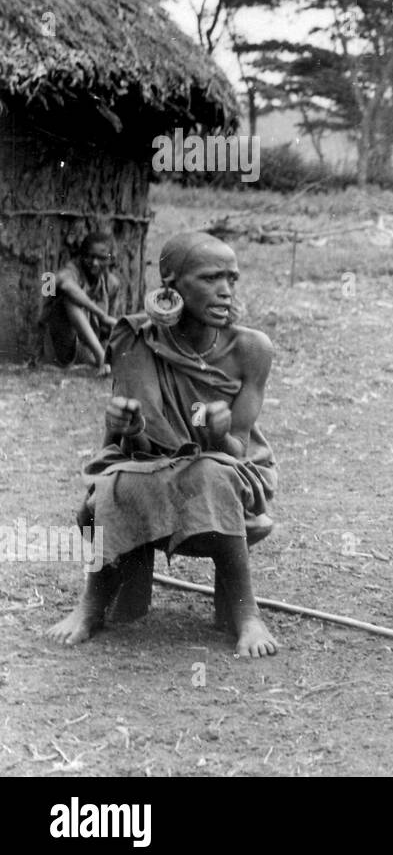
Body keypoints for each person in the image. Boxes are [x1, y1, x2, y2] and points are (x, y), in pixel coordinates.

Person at [46, 231, 278, 658]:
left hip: (227, 469)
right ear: (170, 279)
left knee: (213, 474)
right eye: (211, 278)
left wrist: (216, 433)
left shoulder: (251, 349)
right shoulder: (134, 338)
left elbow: (238, 450)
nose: (225, 291)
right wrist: (124, 424)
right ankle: (92, 605)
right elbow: (132, 444)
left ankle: (247, 614)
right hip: (149, 463)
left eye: (232, 278)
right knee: (115, 482)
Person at [42, 232, 123, 377]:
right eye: (89, 256)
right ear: (81, 256)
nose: (94, 263)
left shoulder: (111, 283)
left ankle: (102, 358)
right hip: (63, 345)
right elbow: (64, 284)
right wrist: (101, 314)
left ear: (111, 259)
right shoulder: (72, 270)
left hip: (87, 347)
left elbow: (108, 329)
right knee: (69, 298)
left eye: (102, 258)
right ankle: (100, 356)